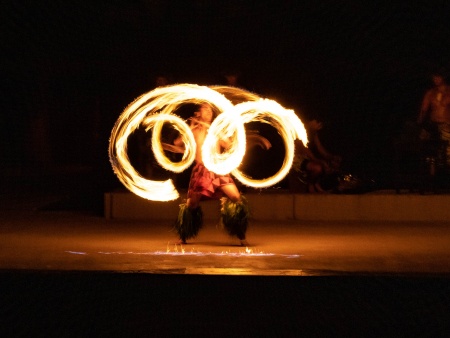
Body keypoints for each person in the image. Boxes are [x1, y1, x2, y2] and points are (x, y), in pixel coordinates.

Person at [167, 103, 250, 246]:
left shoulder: (216, 130)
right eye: (205, 109)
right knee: (191, 205)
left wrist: (216, 131)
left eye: (210, 110)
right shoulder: (193, 131)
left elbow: (228, 145)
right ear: (198, 113)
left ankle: (240, 234)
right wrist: (191, 127)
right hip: (201, 171)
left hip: (218, 169)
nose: (209, 112)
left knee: (236, 197)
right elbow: (178, 142)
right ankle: (183, 235)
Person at [292, 119, 342, 193]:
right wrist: (321, 162)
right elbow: (307, 152)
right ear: (310, 122)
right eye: (317, 123)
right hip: (297, 160)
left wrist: (331, 158)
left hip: (308, 159)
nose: (319, 125)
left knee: (331, 165)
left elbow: (319, 148)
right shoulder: (300, 132)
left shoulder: (314, 133)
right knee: (317, 168)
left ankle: (320, 184)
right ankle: (311, 185)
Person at [417, 69, 450, 169]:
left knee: (447, 150)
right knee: (431, 147)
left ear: (443, 77)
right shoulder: (430, 93)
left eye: (438, 77)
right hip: (433, 125)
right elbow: (424, 109)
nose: (435, 79)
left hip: (447, 124)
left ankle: (447, 170)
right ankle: (430, 169)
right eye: (433, 77)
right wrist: (419, 122)